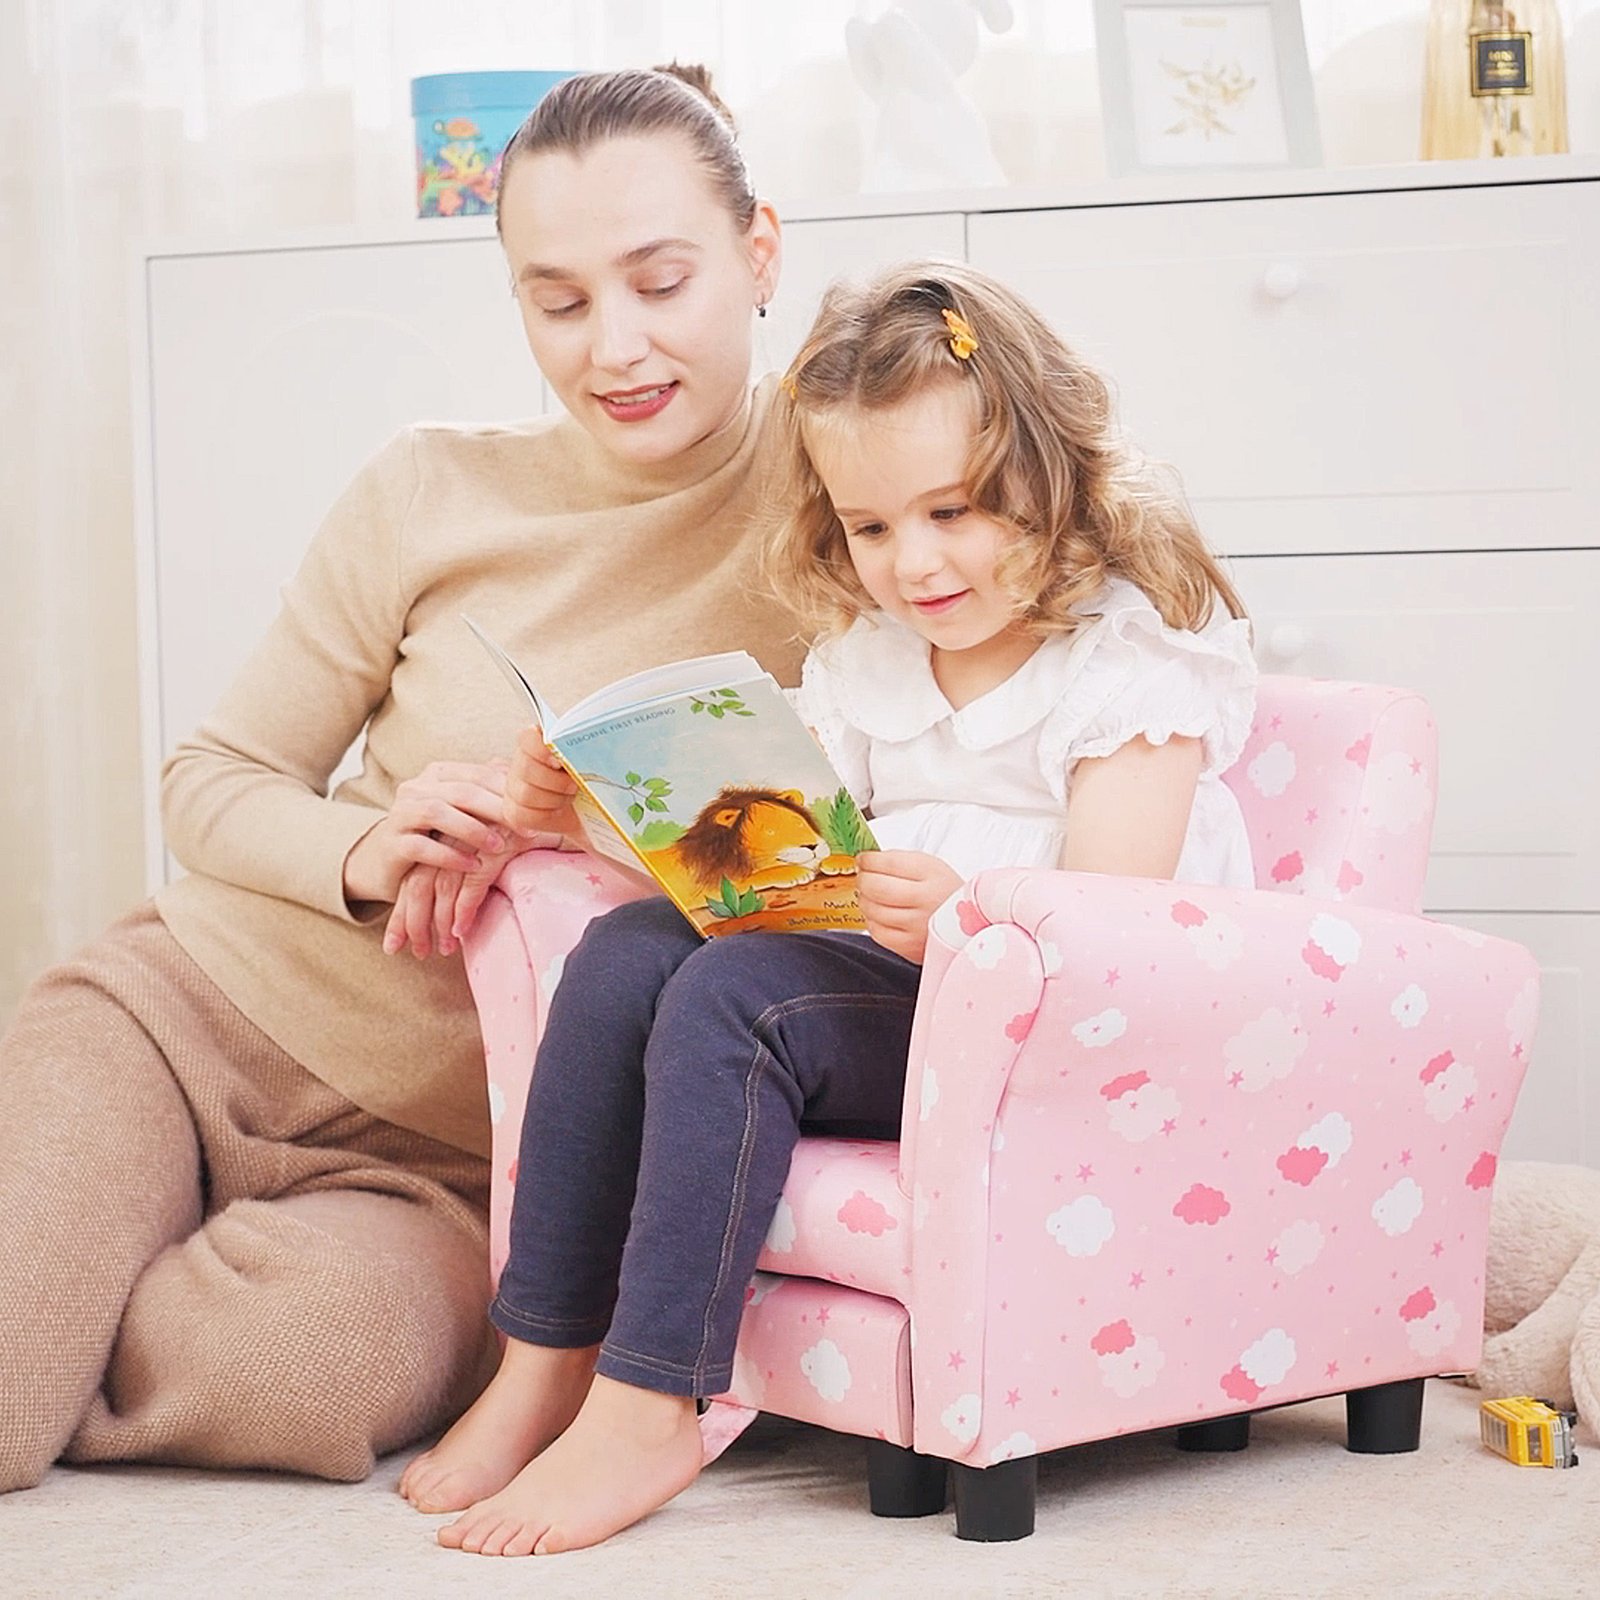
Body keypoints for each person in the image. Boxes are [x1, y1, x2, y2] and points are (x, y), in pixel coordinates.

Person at [0, 65, 801, 1493]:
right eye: (558, 302)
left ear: (759, 255)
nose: (614, 346)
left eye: (660, 282)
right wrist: (370, 850)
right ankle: (71, 1243)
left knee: (284, 1375)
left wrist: (599, 827)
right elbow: (214, 776)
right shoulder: (431, 486)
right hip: (197, 1014)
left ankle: (98, 1258)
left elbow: (844, 877)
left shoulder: (857, 504)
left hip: (454, 1165)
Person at [397, 262, 1259, 1555]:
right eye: (871, 527)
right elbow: (763, 872)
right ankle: (544, 1361)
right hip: (874, 994)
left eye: (954, 510)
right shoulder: (872, 666)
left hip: (1034, 1035)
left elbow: (1108, 941)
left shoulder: (1125, 667)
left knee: (734, 999)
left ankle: (651, 1404)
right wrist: (585, 811)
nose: (915, 563)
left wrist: (970, 915)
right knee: (627, 951)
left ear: (1050, 472)